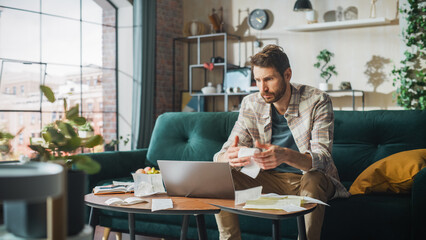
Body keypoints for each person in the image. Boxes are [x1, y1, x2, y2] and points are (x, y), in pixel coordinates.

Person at [213, 44, 350, 240]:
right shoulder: (251, 103)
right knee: (221, 176)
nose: (263, 88)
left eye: (269, 79)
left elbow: (323, 159)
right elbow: (222, 153)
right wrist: (228, 156)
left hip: (308, 179)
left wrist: (285, 155)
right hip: (269, 180)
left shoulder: (317, 100)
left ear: (287, 74)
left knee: (313, 178)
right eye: (258, 80)